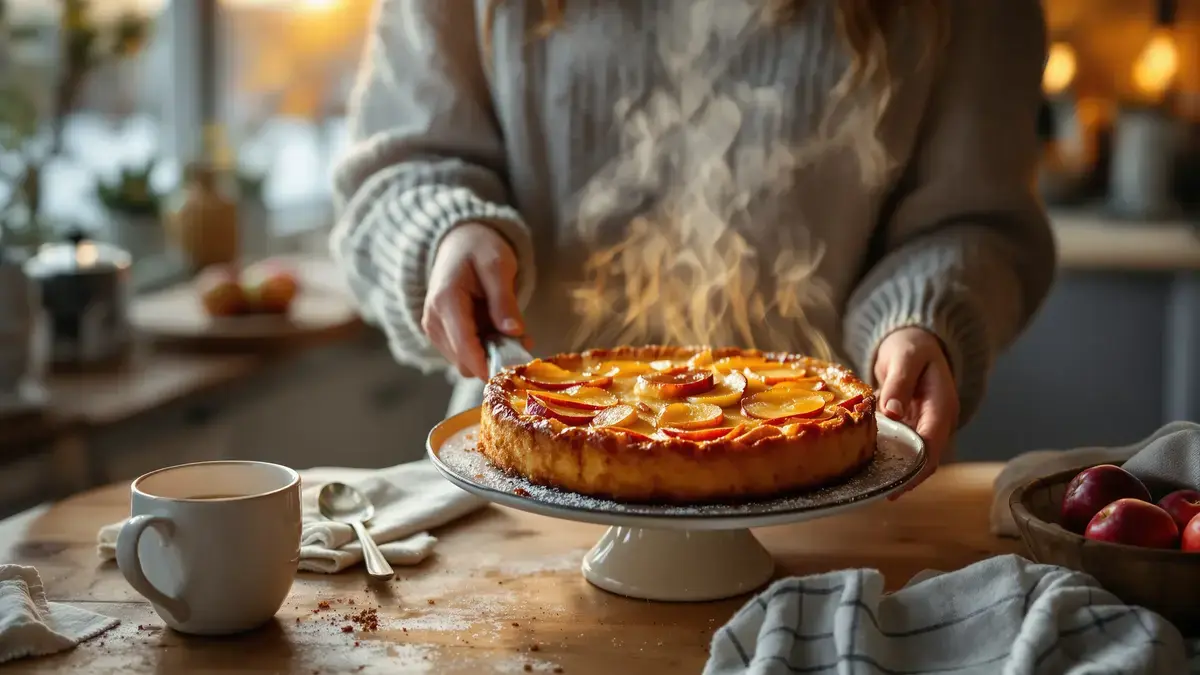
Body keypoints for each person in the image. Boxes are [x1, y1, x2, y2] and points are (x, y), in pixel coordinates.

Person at [330, 0, 1057, 492]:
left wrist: (923, 314)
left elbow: (977, 216)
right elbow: (394, 171)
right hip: (522, 503)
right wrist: (448, 232)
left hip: (840, 515)